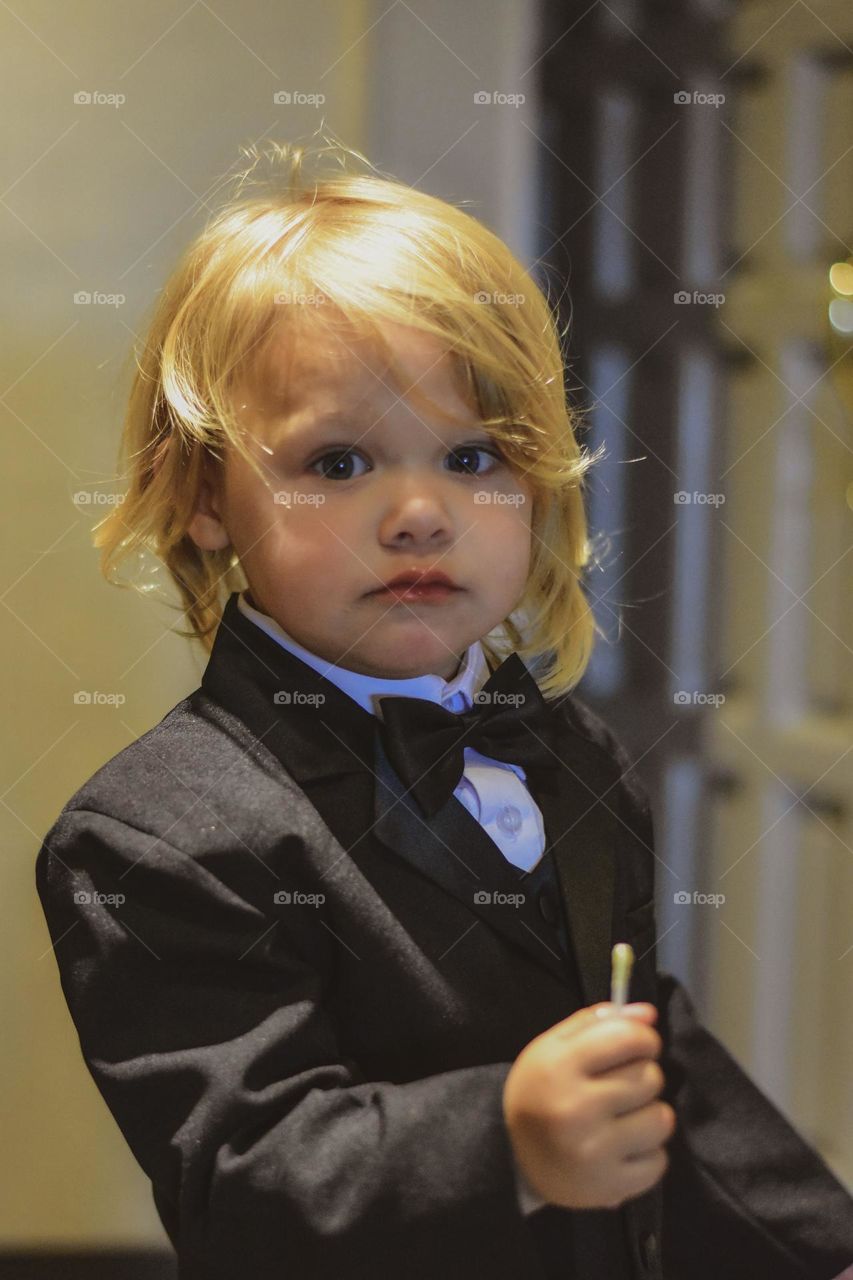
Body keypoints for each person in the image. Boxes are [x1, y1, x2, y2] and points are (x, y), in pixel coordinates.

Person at [35, 138, 853, 1280]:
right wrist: (503, 1140)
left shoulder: (572, 754)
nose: (420, 512)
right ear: (201, 495)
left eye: (472, 453)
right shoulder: (153, 835)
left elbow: (650, 1048)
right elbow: (242, 1178)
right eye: (337, 461)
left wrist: (819, 1245)